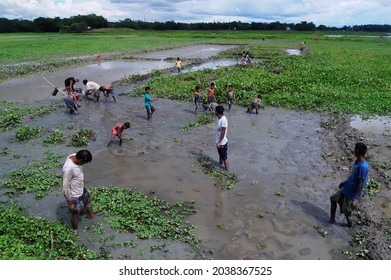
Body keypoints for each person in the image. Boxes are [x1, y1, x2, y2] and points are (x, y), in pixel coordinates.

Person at [329, 142, 369, 228]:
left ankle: (350, 226)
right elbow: (353, 176)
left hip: (351, 193)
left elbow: (360, 183)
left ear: (357, 151)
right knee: (333, 199)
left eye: (355, 149)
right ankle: (332, 220)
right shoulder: (357, 162)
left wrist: (356, 199)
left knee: (347, 213)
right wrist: (345, 182)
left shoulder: (363, 166)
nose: (353, 151)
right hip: (346, 188)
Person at [62, 150, 94, 232]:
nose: (84, 164)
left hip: (81, 187)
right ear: (81, 160)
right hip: (74, 194)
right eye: (84, 163)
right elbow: (66, 187)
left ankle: (93, 219)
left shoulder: (74, 155)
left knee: (88, 201)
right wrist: (70, 203)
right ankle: (75, 231)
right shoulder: (69, 168)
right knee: (75, 213)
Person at [215, 105, 229, 175]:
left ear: (217, 112)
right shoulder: (220, 119)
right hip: (219, 141)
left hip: (222, 142)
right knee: (220, 155)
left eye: (215, 111)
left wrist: (220, 142)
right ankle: (220, 165)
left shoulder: (223, 120)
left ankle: (227, 172)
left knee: (224, 157)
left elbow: (223, 131)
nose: (214, 112)